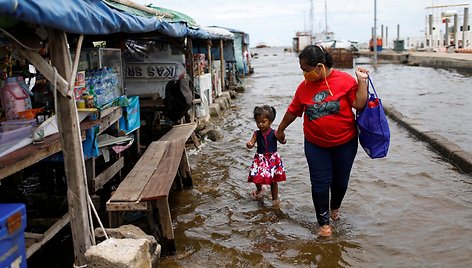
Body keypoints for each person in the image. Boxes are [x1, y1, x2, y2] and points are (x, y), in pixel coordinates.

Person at [275, 45, 369, 237]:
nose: (303, 74)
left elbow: (359, 104)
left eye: (306, 70)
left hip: (345, 143)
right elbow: (293, 111)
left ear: (319, 66)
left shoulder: (344, 81)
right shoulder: (303, 88)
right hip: (316, 145)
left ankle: (335, 209)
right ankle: (324, 224)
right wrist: (280, 129)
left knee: (340, 182)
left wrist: (362, 83)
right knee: (319, 183)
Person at [246, 105, 287, 206]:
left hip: (272, 160)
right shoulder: (257, 133)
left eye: (263, 122)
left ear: (270, 121)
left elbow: (282, 141)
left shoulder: (275, 133)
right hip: (260, 159)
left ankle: (275, 199)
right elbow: (252, 142)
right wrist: (250, 144)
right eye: (258, 122)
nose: (260, 124)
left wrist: (283, 139)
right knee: (256, 177)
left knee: (273, 180)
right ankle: (259, 189)